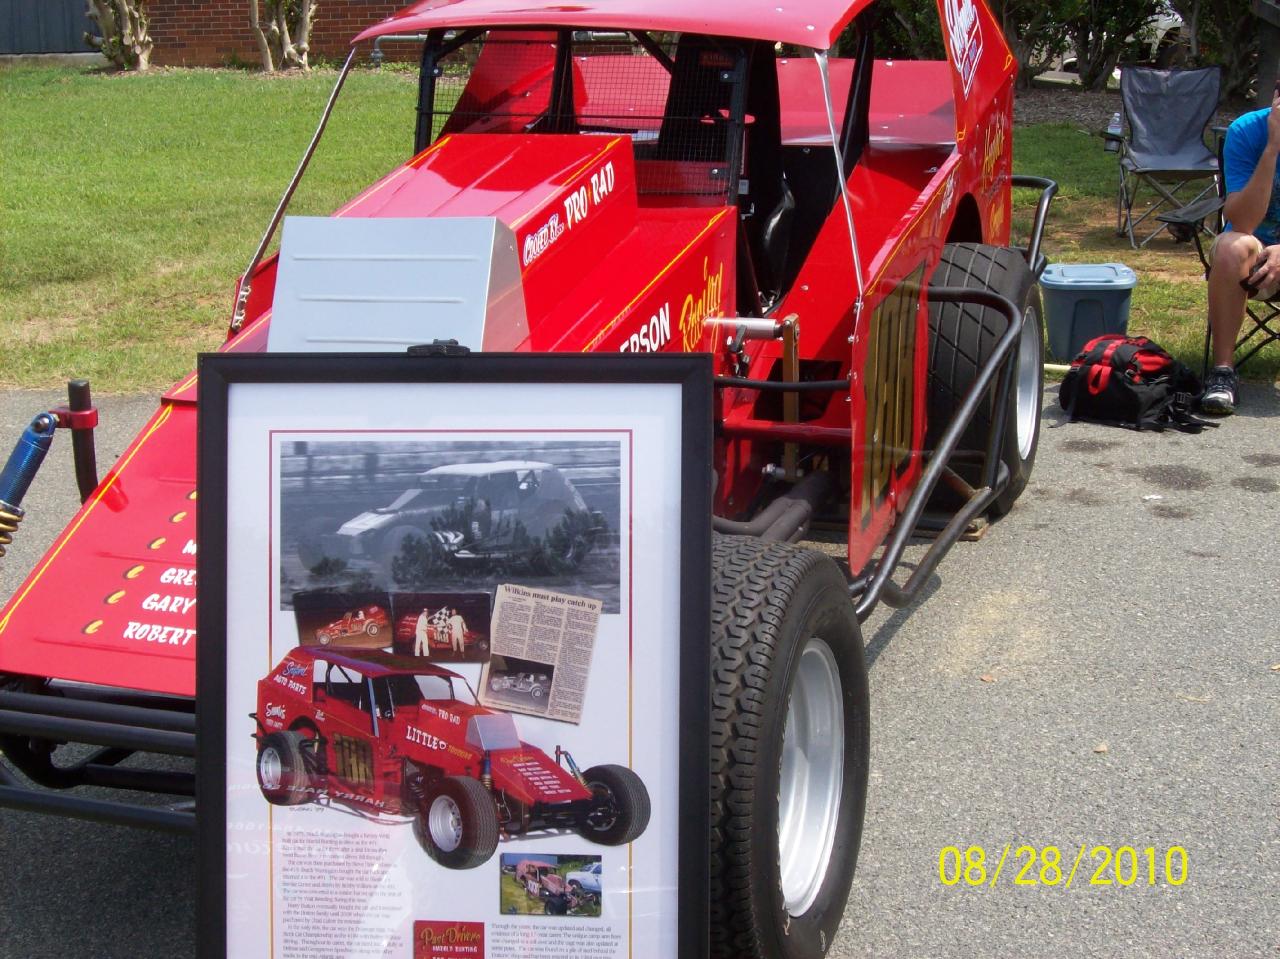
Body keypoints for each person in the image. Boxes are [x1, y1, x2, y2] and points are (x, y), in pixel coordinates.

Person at [1203, 88, 1280, 415]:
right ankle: (1223, 373)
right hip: (1256, 260)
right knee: (1230, 247)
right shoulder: (1247, 131)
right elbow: (1243, 221)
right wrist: (1272, 148)